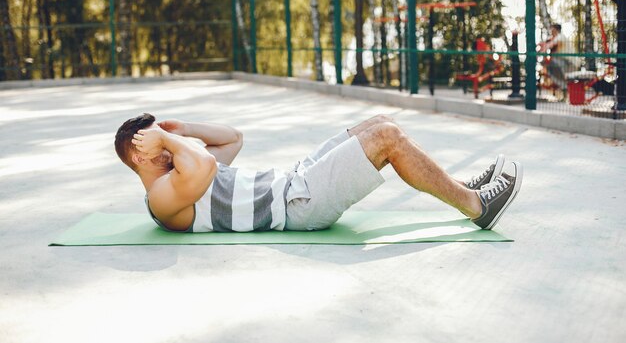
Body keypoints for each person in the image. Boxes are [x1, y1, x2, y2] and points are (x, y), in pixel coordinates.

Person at [114, 113, 523, 233]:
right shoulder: (162, 198)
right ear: (139, 157)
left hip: (296, 179)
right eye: (148, 143)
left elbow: (232, 140)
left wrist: (182, 130)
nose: (162, 145)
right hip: (298, 205)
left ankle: (457, 188)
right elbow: (204, 163)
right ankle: (475, 206)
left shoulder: (183, 171)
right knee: (387, 137)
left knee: (377, 122)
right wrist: (168, 145)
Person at [539, 23, 574, 90]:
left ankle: (562, 85)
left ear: (556, 30)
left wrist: (543, 48)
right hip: (561, 61)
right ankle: (560, 84)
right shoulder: (555, 38)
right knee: (547, 64)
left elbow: (551, 45)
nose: (551, 31)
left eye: (552, 29)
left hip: (567, 62)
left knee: (547, 62)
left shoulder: (560, 37)